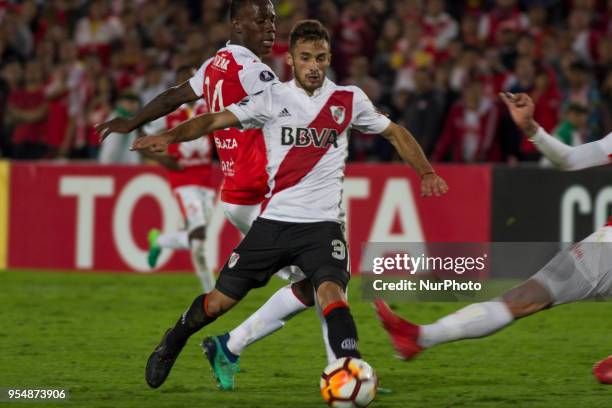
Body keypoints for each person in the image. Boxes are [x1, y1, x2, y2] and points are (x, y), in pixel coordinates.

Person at [132, 19, 448, 391]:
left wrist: (425, 172)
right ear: (292, 61)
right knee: (217, 303)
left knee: (330, 292)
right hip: (274, 223)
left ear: (330, 58)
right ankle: (176, 338)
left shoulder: (349, 99)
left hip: (322, 228)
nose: (314, 65)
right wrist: (169, 135)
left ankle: (349, 370)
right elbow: (215, 119)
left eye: (320, 57)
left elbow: (395, 132)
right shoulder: (272, 99)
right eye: (305, 58)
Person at [96, 0, 333, 390]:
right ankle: (220, 344)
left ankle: (336, 365)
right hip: (262, 198)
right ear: (237, 23)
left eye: (273, 19)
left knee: (316, 281)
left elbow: (174, 96)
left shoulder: (216, 63)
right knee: (318, 280)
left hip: (244, 197)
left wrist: (132, 121)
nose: (270, 27)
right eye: (261, 19)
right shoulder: (256, 73)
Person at [375, 92, 612, 383]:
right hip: (602, 248)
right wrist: (530, 128)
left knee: (524, 299)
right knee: (523, 298)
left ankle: (421, 337)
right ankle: (420, 336)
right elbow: (570, 159)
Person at [141, 65, 216, 293]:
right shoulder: (169, 113)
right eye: (184, 81)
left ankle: (161, 241)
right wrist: (164, 161)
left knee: (197, 239)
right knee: (199, 235)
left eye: (193, 79)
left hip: (206, 178)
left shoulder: (210, 107)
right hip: (183, 180)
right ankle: (210, 294)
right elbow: (144, 140)